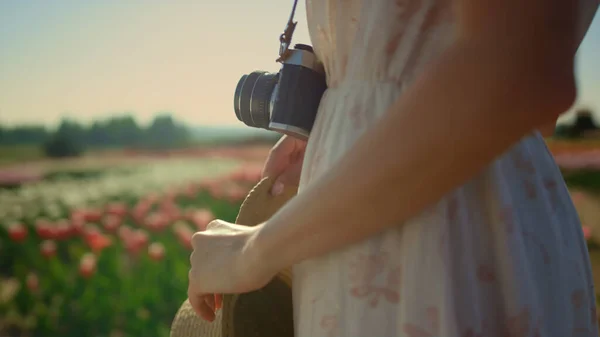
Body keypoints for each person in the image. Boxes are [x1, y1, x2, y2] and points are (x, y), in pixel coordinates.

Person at [188, 0, 600, 335]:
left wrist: (251, 253)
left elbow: (516, 76)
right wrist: (334, 134)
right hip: (456, 205)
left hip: (430, 243)